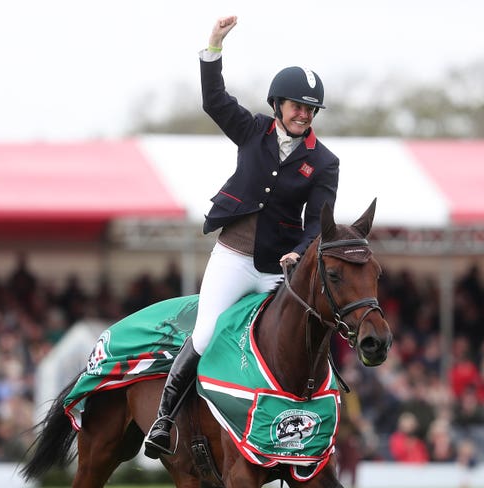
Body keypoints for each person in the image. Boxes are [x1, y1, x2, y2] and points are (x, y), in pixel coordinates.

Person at [144, 15, 339, 458]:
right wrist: (213, 46)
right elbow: (214, 100)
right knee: (209, 333)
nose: (303, 114)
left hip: (278, 268)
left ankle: (309, 428)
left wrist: (300, 251)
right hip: (234, 258)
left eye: (310, 109)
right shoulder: (252, 131)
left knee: (302, 339)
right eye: (296, 105)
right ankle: (164, 418)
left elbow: (319, 222)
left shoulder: (325, 162)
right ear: (278, 104)